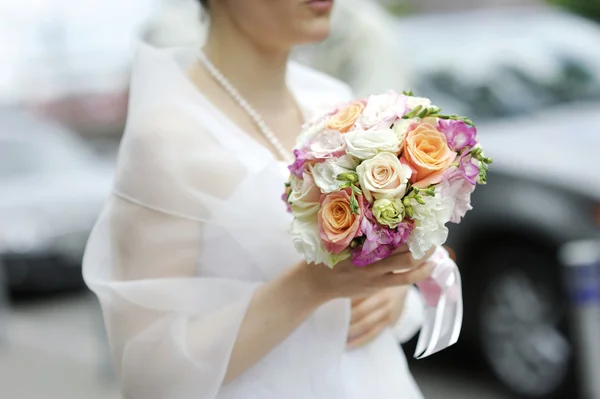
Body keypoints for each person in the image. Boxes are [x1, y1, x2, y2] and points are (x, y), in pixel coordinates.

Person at [83, 1, 458, 398]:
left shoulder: (333, 103)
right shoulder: (167, 140)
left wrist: (390, 288)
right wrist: (308, 286)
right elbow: (149, 376)